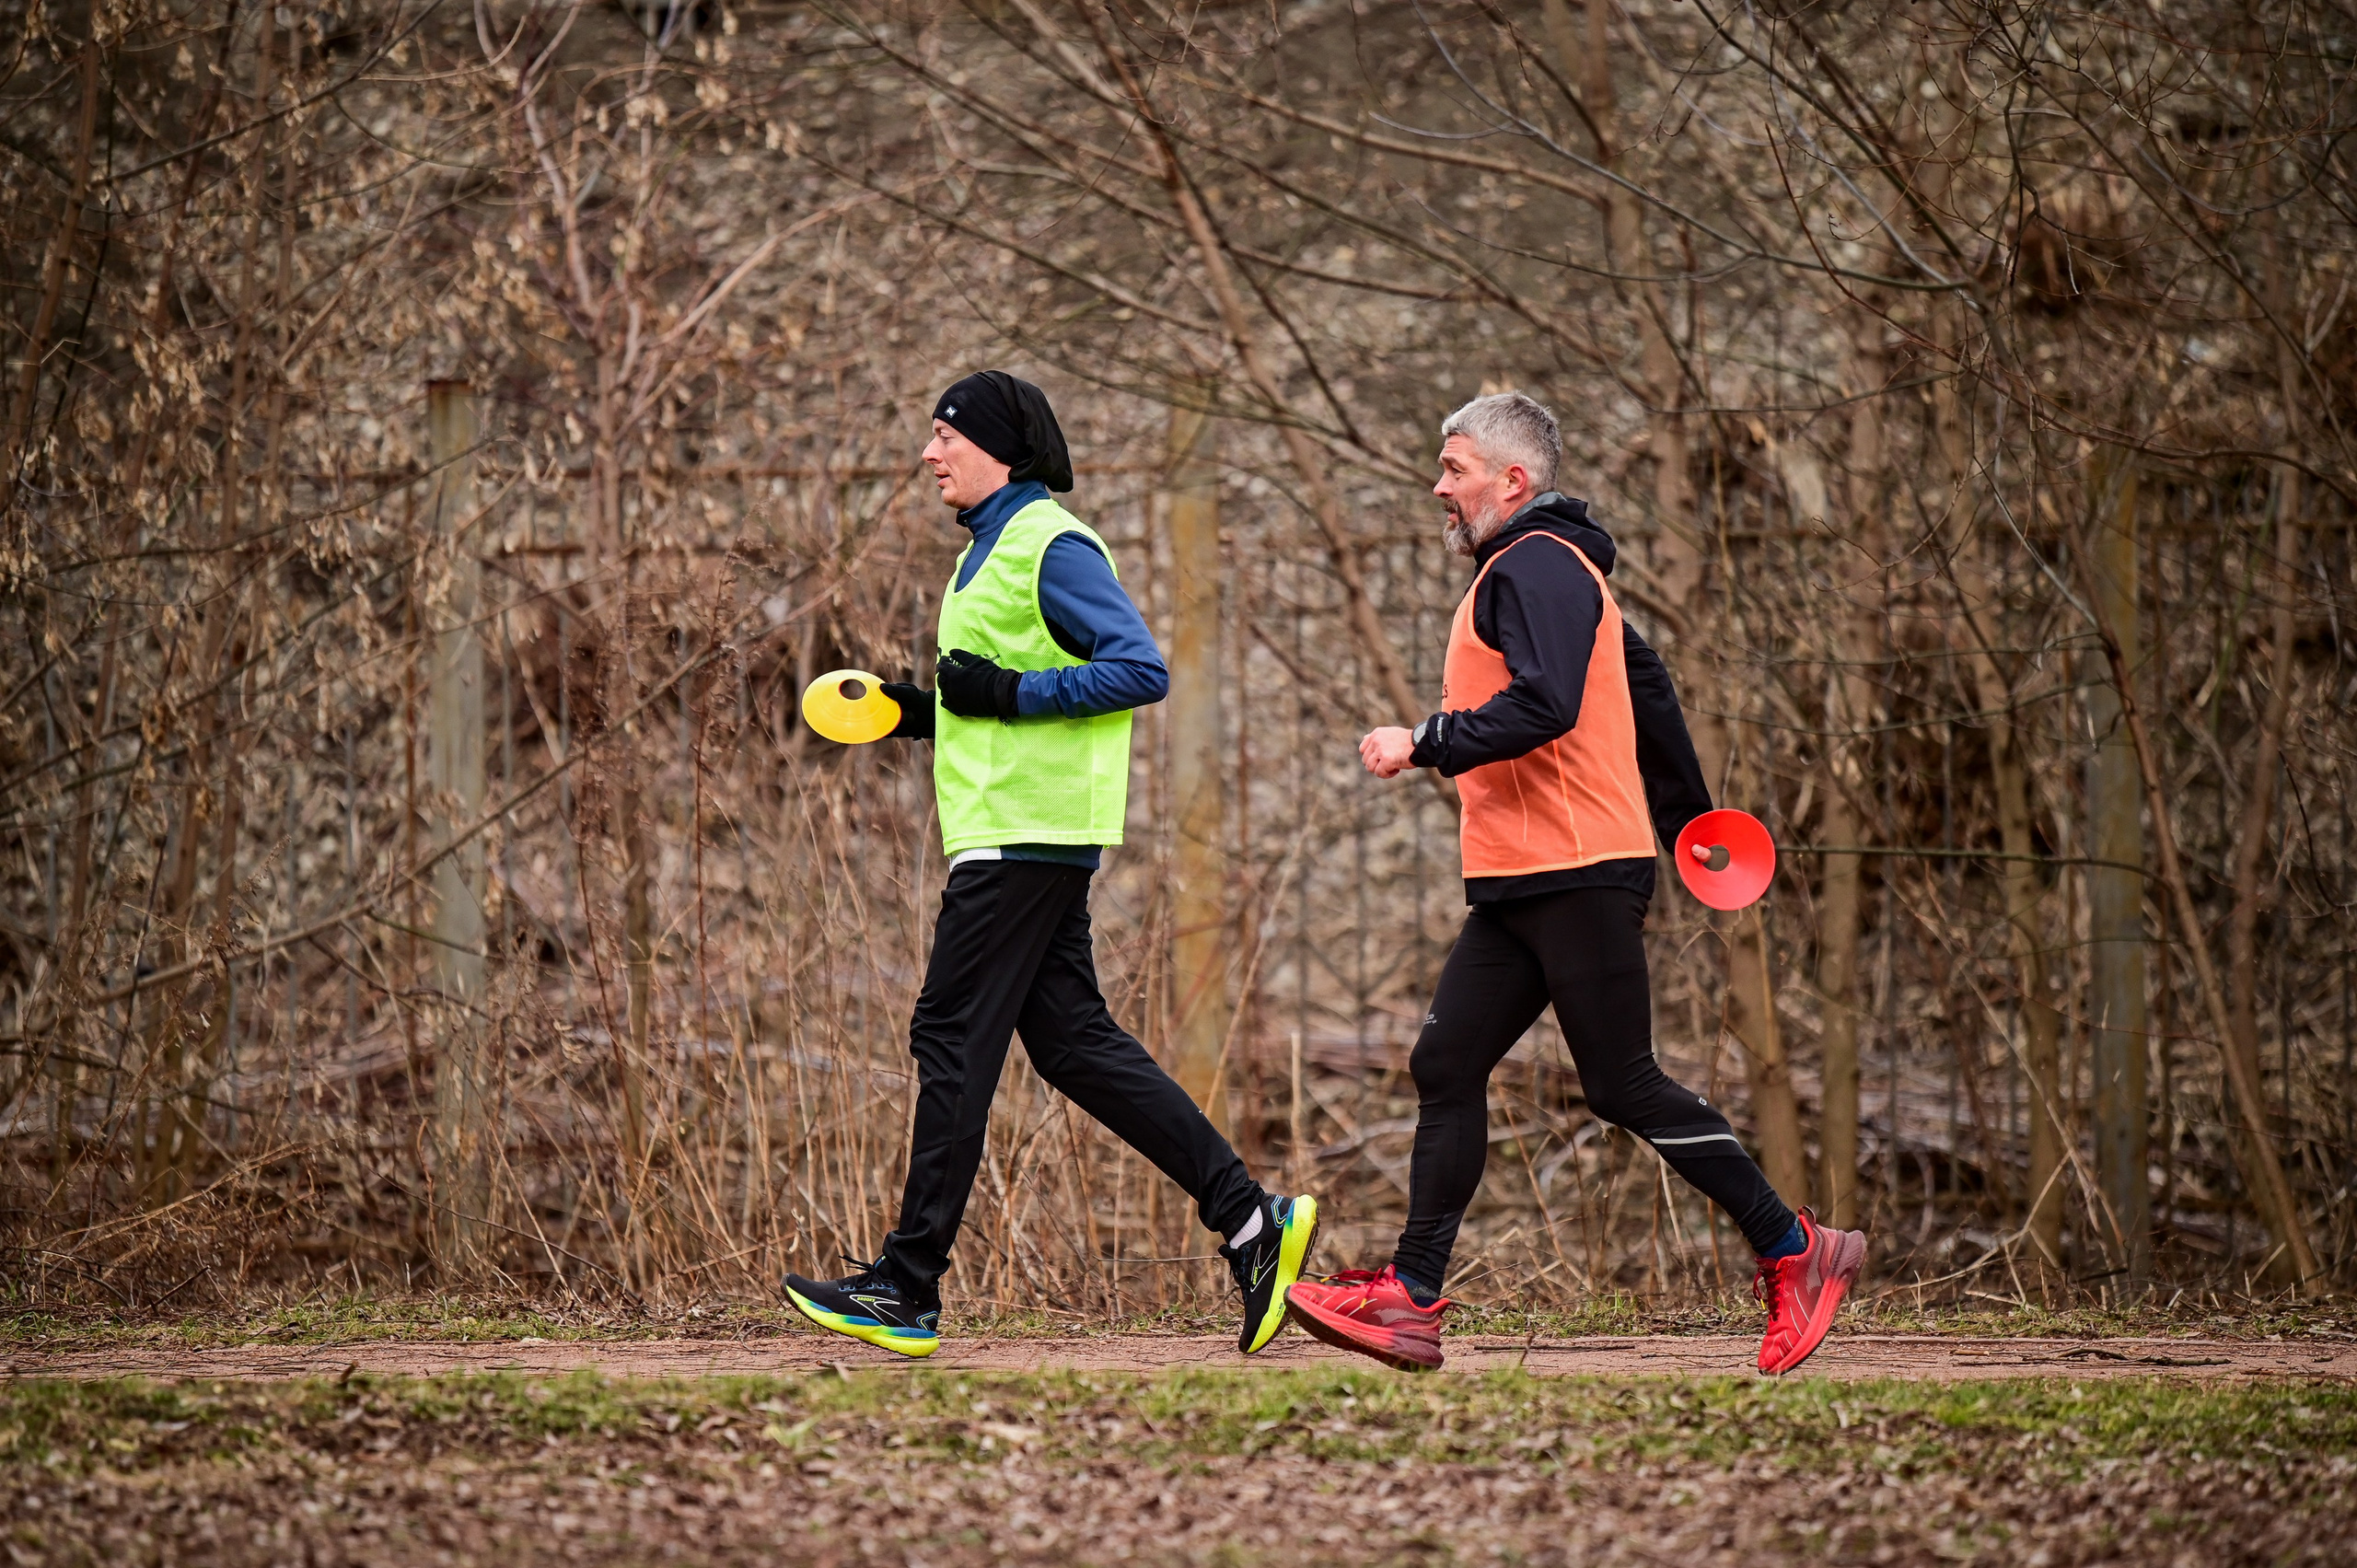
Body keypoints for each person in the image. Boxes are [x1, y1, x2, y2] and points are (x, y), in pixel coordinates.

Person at [1283, 392, 1864, 1375]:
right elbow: (1645, 684)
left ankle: (1793, 1247)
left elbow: (1547, 704)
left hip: (1576, 864)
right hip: (1522, 870)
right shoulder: (1559, 571)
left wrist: (1421, 739)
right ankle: (1413, 1297)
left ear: (1513, 481)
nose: (1439, 485)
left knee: (1621, 1081)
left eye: (1455, 466)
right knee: (1447, 1063)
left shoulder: (1538, 564)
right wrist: (1692, 821)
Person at [784, 370, 1319, 1359]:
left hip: (1022, 836)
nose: (930, 453)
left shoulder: (1049, 542)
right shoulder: (986, 550)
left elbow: (1137, 667)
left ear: (1001, 447)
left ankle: (906, 1285)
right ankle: (1252, 1222)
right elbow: (989, 691)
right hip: (1015, 829)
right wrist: (916, 709)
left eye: (946, 436)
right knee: (1070, 1043)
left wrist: (1006, 693)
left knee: (949, 1032)